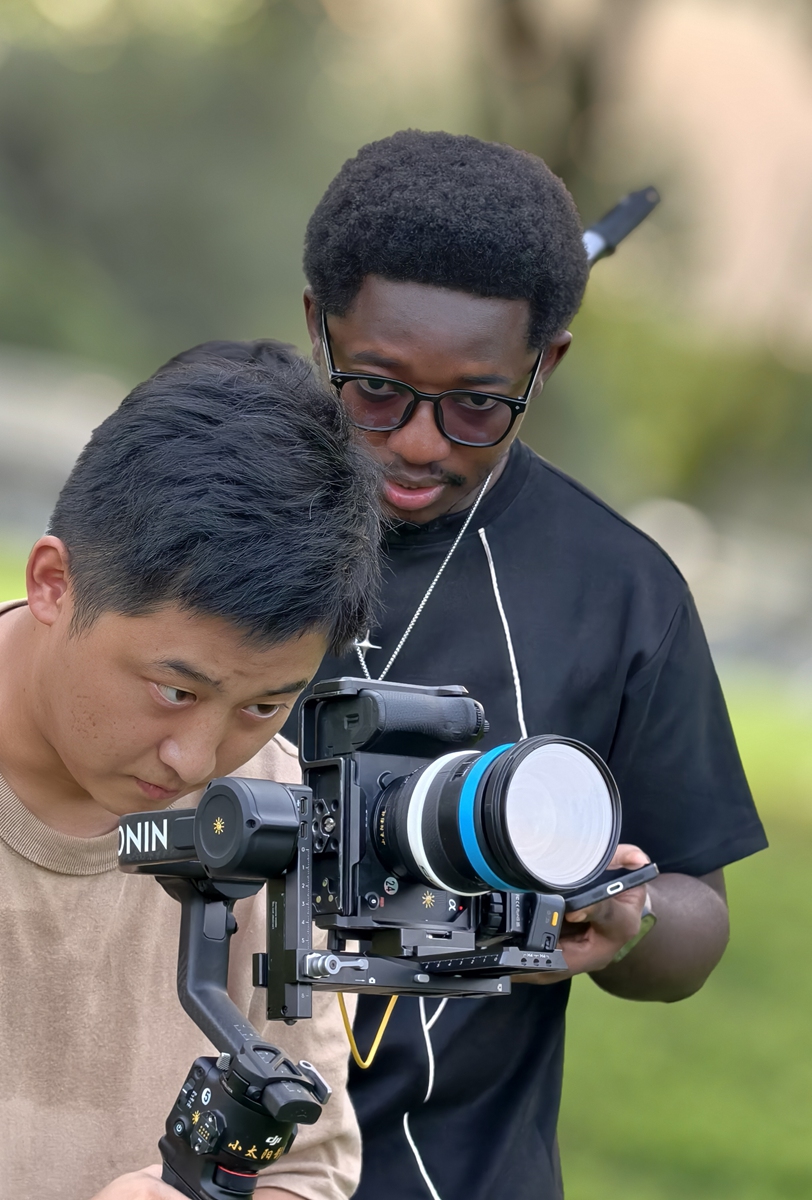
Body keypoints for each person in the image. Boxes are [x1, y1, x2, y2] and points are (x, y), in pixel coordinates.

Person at [273, 129, 767, 1200]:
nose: (416, 442)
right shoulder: (202, 517)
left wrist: (624, 915)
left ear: (545, 364)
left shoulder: (621, 593)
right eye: (376, 390)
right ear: (317, 325)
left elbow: (694, 917)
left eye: (475, 403)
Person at [0, 351, 381, 1199]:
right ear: (55, 583)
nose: (197, 760)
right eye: (176, 690)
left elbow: (308, 1170)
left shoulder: (272, 810)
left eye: (263, 706)